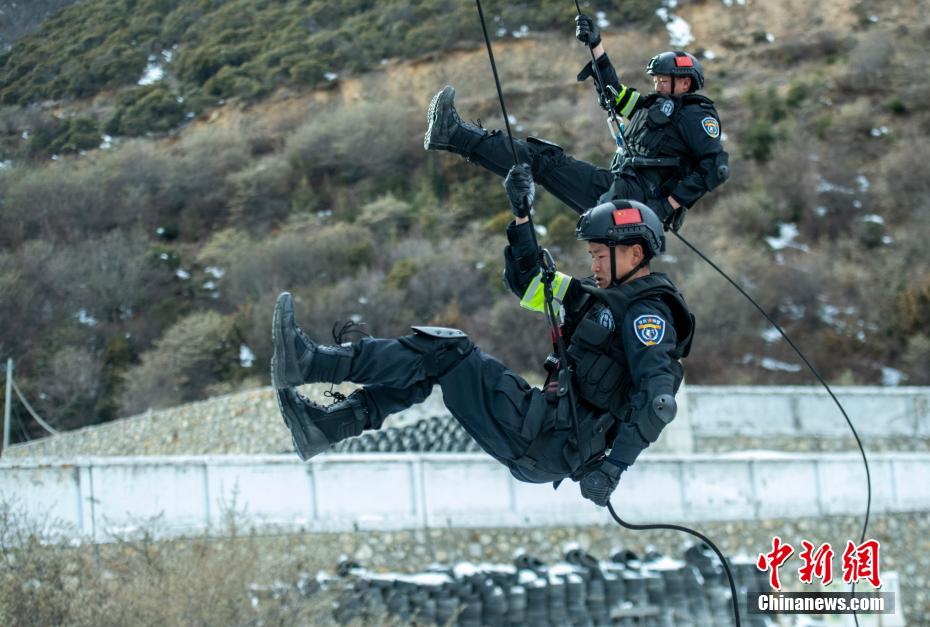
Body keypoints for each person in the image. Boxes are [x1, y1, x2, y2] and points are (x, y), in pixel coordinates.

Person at [270, 166, 695, 507]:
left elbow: (658, 402)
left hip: (551, 437)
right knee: (438, 362)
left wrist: (614, 469)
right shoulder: (597, 298)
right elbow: (531, 284)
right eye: (591, 255)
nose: (594, 264)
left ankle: (311, 364)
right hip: (543, 427)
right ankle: (326, 425)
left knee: (447, 350)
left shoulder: (647, 314)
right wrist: (521, 216)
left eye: (601, 255)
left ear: (635, 254)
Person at [423, 13, 729, 232]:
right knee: (542, 163)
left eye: (665, 80)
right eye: (657, 79)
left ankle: (455, 136)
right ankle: (454, 137)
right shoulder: (654, 105)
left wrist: (668, 206)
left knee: (543, 160)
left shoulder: (696, 115)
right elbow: (616, 96)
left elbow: (715, 168)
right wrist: (597, 46)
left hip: (634, 198)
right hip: (622, 188)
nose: (659, 85)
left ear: (686, 83)